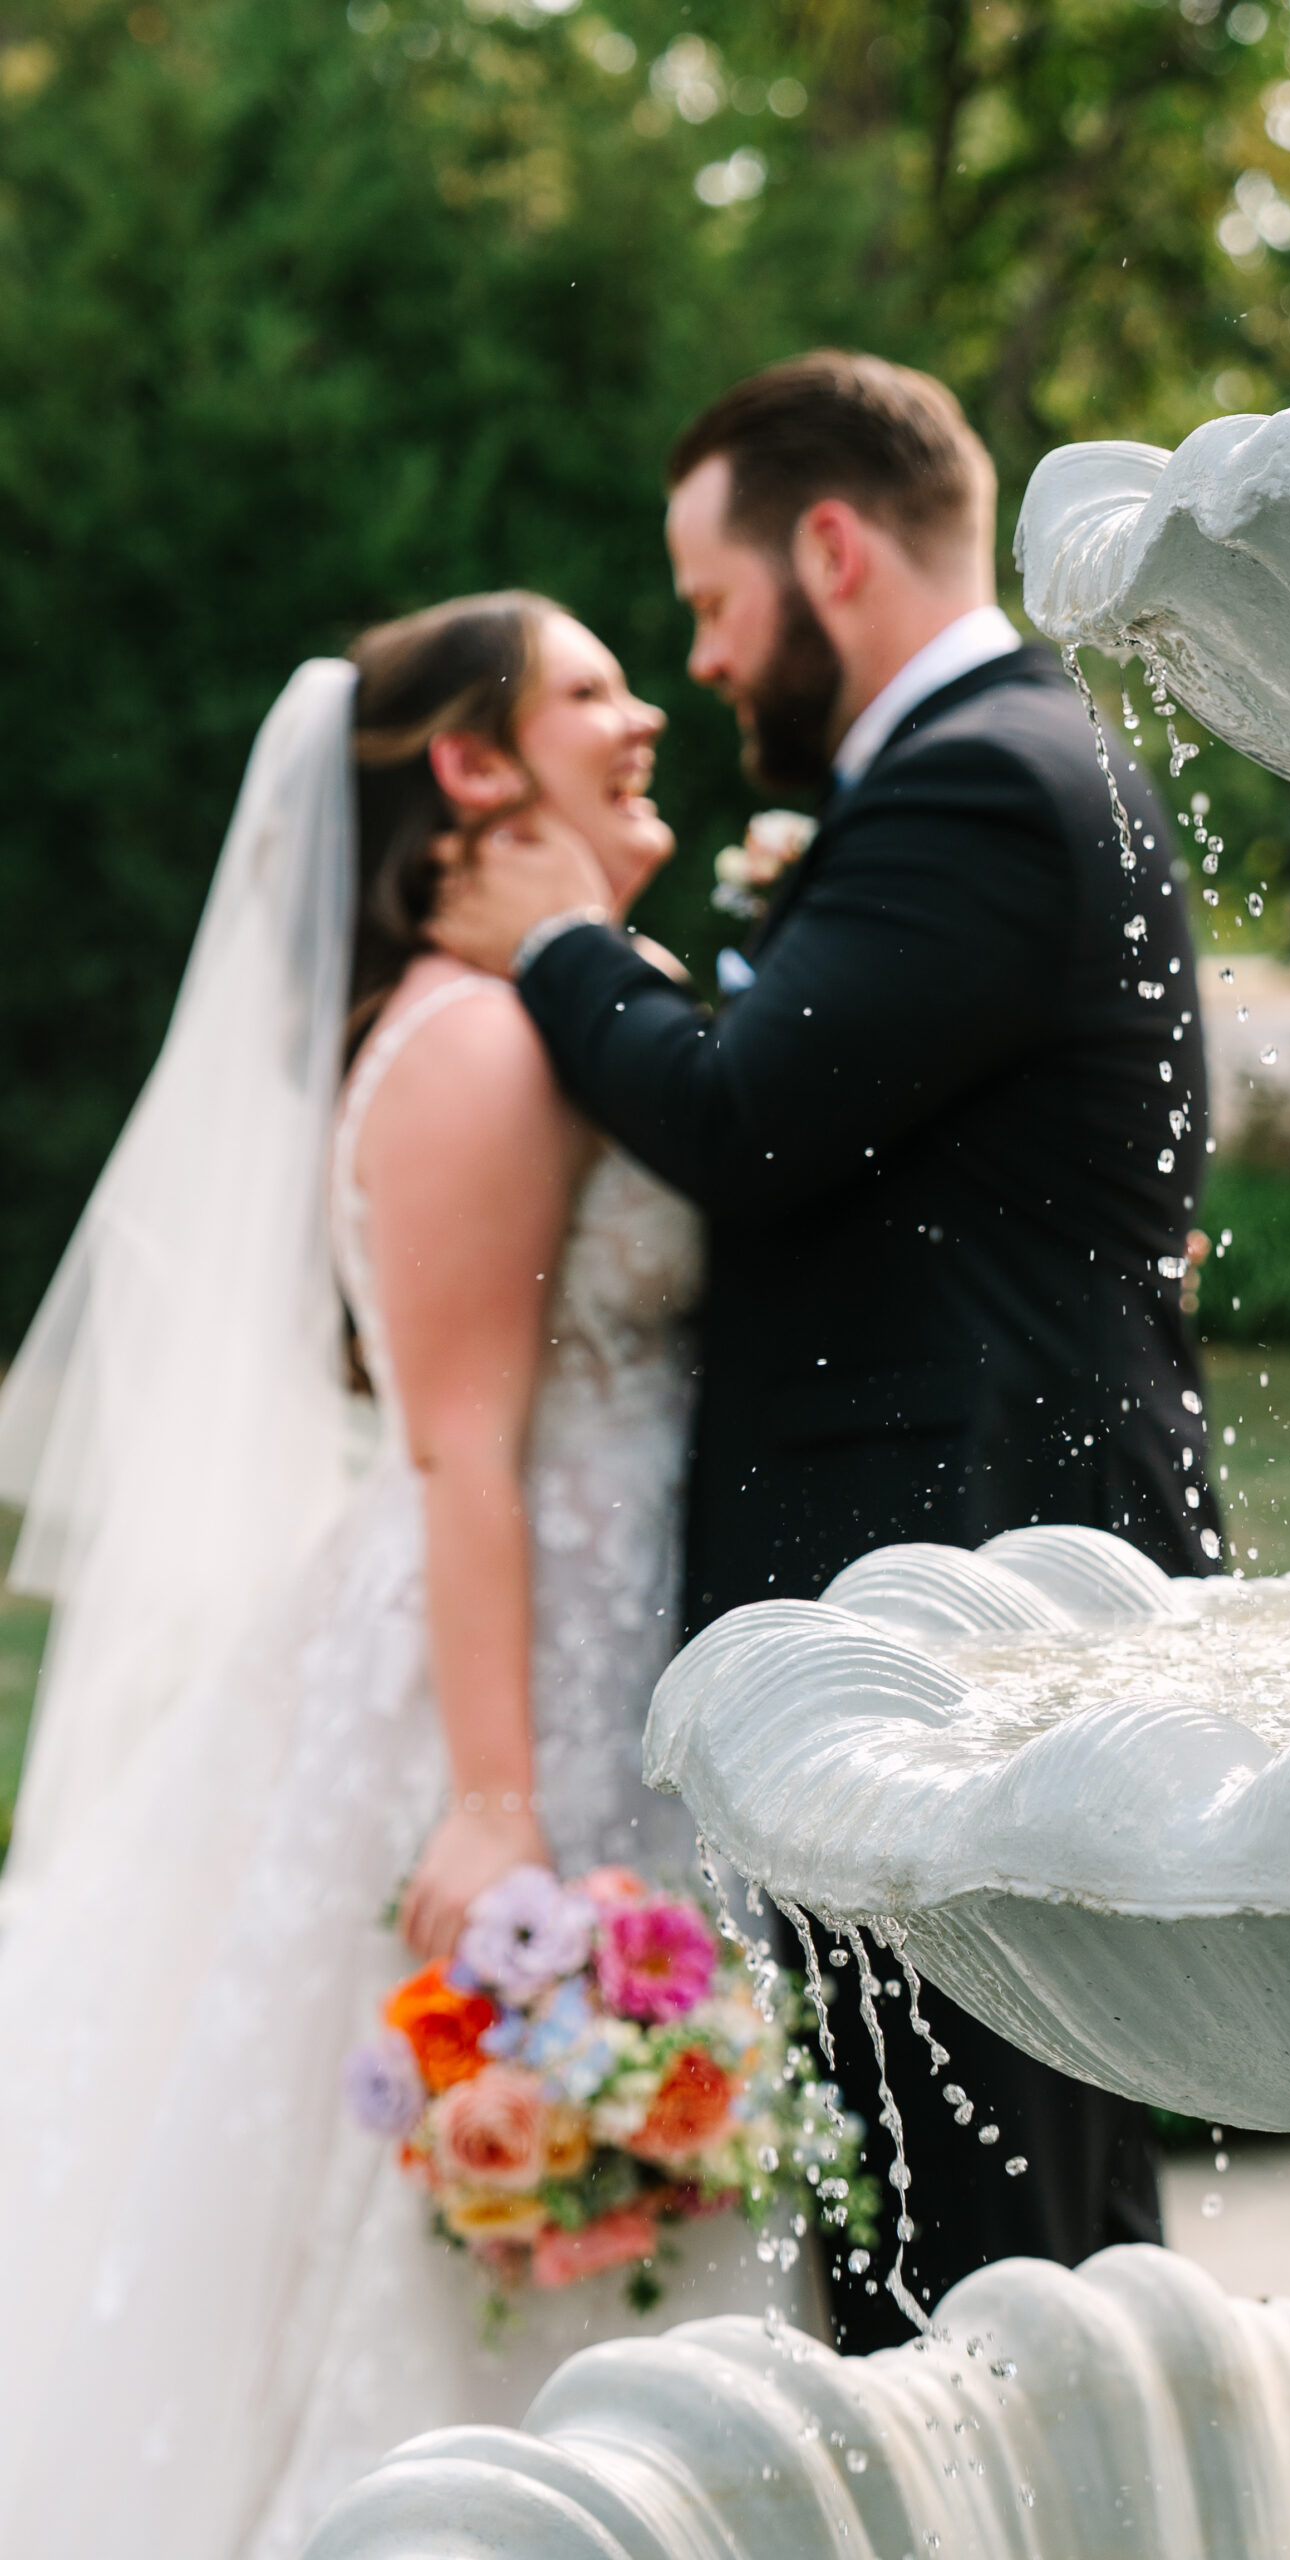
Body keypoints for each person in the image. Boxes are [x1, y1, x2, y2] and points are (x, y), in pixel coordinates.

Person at [0, 592, 811, 2560]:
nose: (643, 715)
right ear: (467, 762)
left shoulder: (551, 995)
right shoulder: (472, 1042)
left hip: (622, 1627)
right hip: (515, 1667)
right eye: (590, 691)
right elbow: (460, 1444)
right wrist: (496, 1802)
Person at [429, 351, 1221, 2354]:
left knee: (974, 2261)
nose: (700, 658)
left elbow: (735, 1116)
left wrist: (557, 944)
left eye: (711, 600)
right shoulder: (997, 762)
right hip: (969, 1591)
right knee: (1013, 2232)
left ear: (834, 551)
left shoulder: (978, 779)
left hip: (958, 1622)